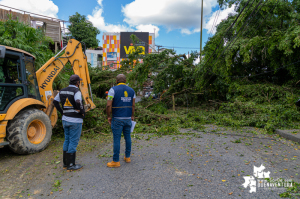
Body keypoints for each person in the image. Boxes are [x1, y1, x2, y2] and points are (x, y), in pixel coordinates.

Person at [53, 74, 85, 171]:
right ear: (77, 83)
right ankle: (71, 165)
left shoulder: (62, 91)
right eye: (79, 82)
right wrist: (82, 112)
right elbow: (78, 101)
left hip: (65, 120)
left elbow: (55, 101)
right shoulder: (76, 91)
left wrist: (62, 111)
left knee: (67, 140)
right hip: (75, 120)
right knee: (73, 141)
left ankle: (65, 163)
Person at [106, 74, 135, 167]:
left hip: (117, 119)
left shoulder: (112, 90)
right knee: (128, 137)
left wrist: (108, 116)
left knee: (117, 139)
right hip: (128, 119)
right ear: (125, 80)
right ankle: (127, 157)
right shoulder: (132, 91)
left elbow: (108, 105)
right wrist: (132, 115)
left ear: (116, 81)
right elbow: (133, 105)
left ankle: (116, 161)